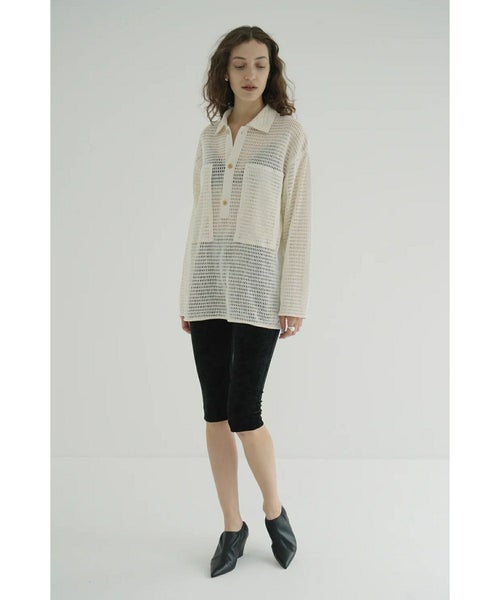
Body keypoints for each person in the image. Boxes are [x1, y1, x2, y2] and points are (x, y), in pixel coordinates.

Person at [179, 25, 311, 578]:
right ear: (225, 72)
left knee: (245, 413)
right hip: (208, 287)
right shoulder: (209, 138)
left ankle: (273, 510)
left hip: (259, 291)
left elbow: (297, 220)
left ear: (271, 71)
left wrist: (293, 296)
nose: (250, 74)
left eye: (260, 64)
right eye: (240, 64)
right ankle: (232, 526)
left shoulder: (287, 135)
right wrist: (187, 292)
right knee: (215, 413)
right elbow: (198, 218)